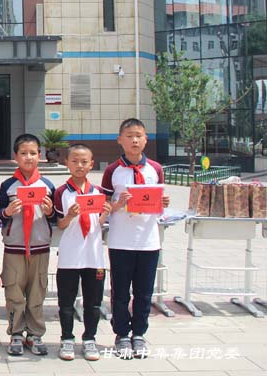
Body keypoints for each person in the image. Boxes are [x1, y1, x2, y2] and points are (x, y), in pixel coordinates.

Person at [101, 118, 170, 359]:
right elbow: (104, 205)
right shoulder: (112, 171)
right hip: (121, 240)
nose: (134, 140)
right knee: (120, 292)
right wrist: (117, 204)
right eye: (129, 136)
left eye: (139, 135)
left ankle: (139, 333)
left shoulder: (155, 169)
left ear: (146, 140)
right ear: (120, 140)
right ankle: (121, 334)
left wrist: (163, 202)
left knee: (144, 292)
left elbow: (158, 201)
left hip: (148, 241)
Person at [0, 133, 55, 357]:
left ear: (40, 156)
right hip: (15, 247)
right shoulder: (8, 186)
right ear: (16, 156)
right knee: (14, 291)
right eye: (23, 153)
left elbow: (55, 217)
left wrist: (49, 211)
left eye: (33, 153)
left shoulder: (47, 185)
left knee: (37, 292)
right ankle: (16, 333)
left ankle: (35, 333)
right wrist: (7, 212)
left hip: (39, 246)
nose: (28, 157)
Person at [53, 144, 111, 362]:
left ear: (91, 164)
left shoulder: (98, 192)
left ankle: (89, 339)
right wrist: (69, 215)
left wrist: (105, 214)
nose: (79, 165)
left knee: (93, 302)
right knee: (66, 302)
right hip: (70, 255)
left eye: (84, 162)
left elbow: (98, 224)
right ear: (66, 163)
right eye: (75, 161)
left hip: (93, 256)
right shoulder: (61, 192)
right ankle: (67, 338)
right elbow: (60, 224)